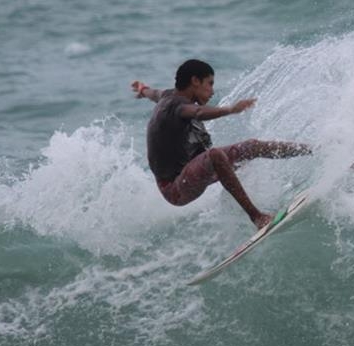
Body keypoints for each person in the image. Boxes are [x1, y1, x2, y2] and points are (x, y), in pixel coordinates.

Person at [131, 59, 312, 230]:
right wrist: (230, 110)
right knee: (215, 155)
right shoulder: (179, 106)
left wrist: (143, 89)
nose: (212, 91)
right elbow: (198, 112)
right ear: (195, 81)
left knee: (251, 146)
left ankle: (312, 149)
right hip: (175, 187)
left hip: (192, 171)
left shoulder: (166, 96)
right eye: (209, 83)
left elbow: (153, 93)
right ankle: (257, 217)